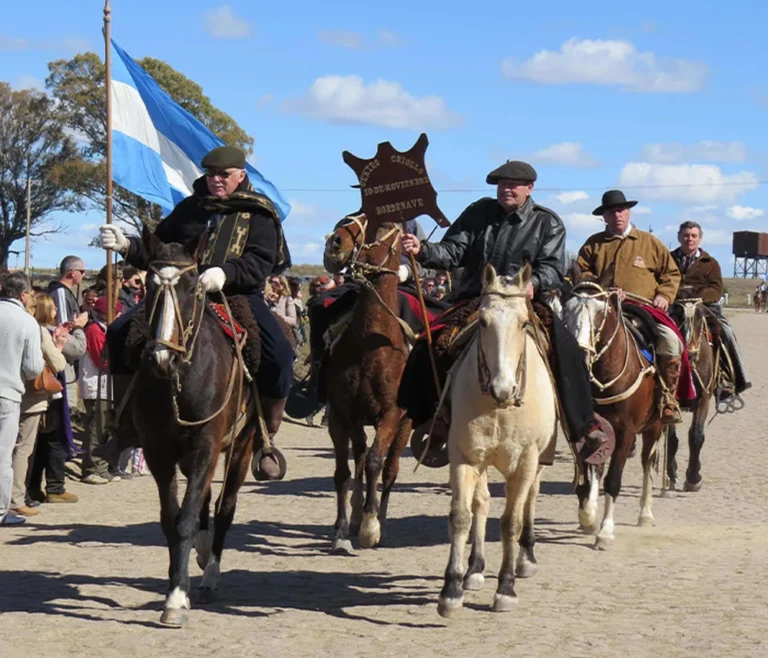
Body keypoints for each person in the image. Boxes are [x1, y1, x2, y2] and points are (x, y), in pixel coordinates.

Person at [99, 145, 293, 481]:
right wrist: (127, 246)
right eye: (211, 174)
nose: (217, 180)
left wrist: (225, 273)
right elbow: (157, 249)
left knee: (280, 353)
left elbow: (260, 261)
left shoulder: (259, 213)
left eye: (224, 175)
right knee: (119, 333)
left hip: (235, 295)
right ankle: (125, 427)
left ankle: (265, 436)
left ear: (240, 176)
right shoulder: (190, 208)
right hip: (181, 295)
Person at [399, 160, 608, 459]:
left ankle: (582, 428)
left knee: (567, 351)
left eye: (512, 184)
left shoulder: (547, 222)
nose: (505, 189)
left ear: (529, 188)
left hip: (525, 303)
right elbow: (453, 250)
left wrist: (534, 282)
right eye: (501, 184)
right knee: (429, 343)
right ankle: (433, 418)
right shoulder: (477, 213)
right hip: (476, 299)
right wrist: (423, 250)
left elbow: (552, 268)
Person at [575, 190, 688, 424]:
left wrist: (664, 295)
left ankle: (668, 397)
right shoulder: (593, 244)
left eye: (621, 210)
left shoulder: (649, 243)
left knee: (670, 340)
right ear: (603, 217)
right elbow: (582, 273)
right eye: (611, 211)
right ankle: (571, 398)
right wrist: (600, 289)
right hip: (602, 310)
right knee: (575, 341)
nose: (617, 215)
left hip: (643, 308)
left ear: (628, 212)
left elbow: (671, 273)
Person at [670, 220, 751, 396]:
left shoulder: (710, 263)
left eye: (693, 236)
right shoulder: (668, 258)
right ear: (678, 237)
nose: (689, 239)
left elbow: (716, 289)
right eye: (685, 235)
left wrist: (696, 297)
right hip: (674, 305)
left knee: (726, 331)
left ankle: (728, 377)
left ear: (700, 238)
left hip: (704, 307)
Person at [10, 292, 69, 517]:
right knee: (23, 449)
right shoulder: (36, 329)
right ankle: (17, 496)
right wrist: (59, 347)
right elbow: (58, 363)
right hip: (30, 397)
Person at [27, 292, 83, 505]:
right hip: (50, 393)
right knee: (55, 442)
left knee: (40, 443)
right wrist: (61, 343)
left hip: (41, 394)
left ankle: (33, 486)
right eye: (52, 308)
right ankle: (55, 487)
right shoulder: (43, 333)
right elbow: (62, 359)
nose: (56, 312)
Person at [0, 272, 44, 526]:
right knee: (4, 455)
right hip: (8, 392)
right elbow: (33, 367)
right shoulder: (27, 322)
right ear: (24, 294)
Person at [79, 296, 124, 484]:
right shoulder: (95, 331)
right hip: (96, 386)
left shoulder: (105, 331)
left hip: (107, 387)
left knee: (106, 428)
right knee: (97, 428)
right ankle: (92, 468)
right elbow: (102, 361)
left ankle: (103, 467)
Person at [48, 256, 89, 407]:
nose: (84, 275)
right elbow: (64, 329)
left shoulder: (66, 292)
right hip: (62, 361)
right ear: (72, 273)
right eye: (82, 271)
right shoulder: (60, 293)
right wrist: (79, 325)